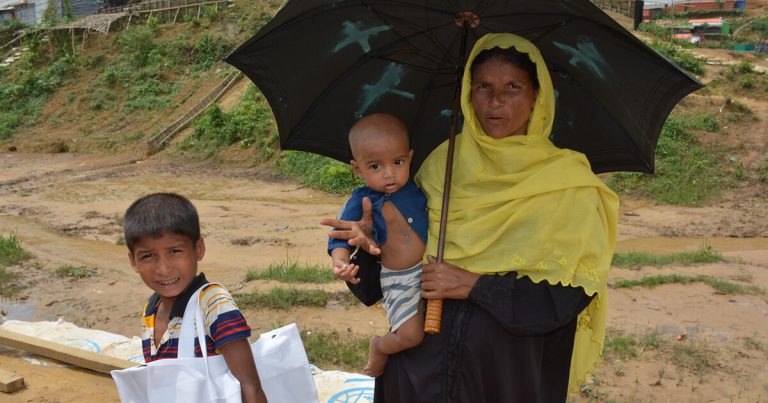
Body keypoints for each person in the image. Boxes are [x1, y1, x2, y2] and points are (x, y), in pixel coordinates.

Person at [321, 33, 619, 402]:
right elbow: (381, 285)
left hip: (504, 379)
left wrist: (474, 285)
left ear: (536, 97)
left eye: (513, 87)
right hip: (418, 374)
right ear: (468, 94)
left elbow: (566, 300)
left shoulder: (569, 184)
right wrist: (369, 246)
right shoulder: (441, 166)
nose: (496, 101)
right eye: (483, 86)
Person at [124, 192, 268, 403]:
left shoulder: (213, 304)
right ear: (133, 261)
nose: (163, 268)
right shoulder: (150, 310)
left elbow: (250, 387)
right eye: (148, 255)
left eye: (174, 251)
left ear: (198, 249)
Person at [328, 113, 428, 377]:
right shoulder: (361, 201)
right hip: (399, 278)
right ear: (357, 169)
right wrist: (341, 262)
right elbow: (341, 235)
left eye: (398, 162)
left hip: (430, 270)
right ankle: (380, 346)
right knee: (411, 335)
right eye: (375, 166)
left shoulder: (418, 187)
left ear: (410, 157)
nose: (389, 174)